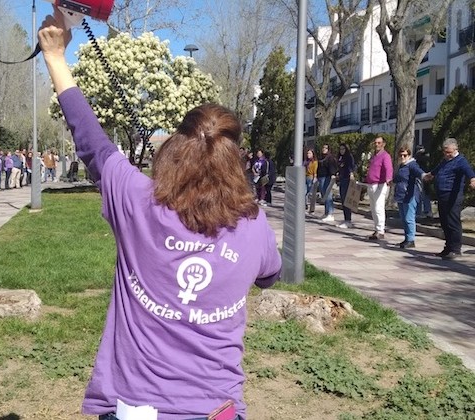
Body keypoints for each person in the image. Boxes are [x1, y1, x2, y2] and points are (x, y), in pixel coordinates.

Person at [38, 9, 282, 419]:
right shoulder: (253, 224)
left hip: (135, 407)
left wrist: (55, 57)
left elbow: (91, 142)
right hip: (216, 410)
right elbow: (270, 275)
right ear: (235, 158)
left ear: (175, 147)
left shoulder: (137, 201)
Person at [425, 138, 475, 260]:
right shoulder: (445, 161)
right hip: (442, 195)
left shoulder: (461, 161)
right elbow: (436, 171)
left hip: (453, 196)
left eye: (449, 152)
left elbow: (469, 171)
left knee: (453, 222)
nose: (447, 155)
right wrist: (430, 175)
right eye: (445, 152)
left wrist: (473, 180)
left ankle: (456, 249)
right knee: (444, 222)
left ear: (455, 149)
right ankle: (448, 247)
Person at [392, 147, 425, 249]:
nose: (402, 157)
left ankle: (411, 240)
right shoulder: (401, 166)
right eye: (401, 155)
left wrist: (424, 175)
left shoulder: (412, 165)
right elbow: (398, 178)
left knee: (409, 218)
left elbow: (418, 171)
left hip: (410, 195)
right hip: (401, 195)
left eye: (405, 155)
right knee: (403, 218)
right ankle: (407, 238)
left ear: (409, 156)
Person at [365, 136, 393, 240]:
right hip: (371, 184)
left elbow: (388, 168)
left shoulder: (385, 156)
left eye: (379, 143)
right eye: (375, 143)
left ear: (383, 144)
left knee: (378, 207)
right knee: (373, 208)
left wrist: (388, 178)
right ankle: (377, 229)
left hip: (380, 184)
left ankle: (381, 230)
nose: (377, 145)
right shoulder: (374, 156)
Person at [336, 143, 355, 229]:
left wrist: (351, 174)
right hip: (342, 179)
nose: (342, 151)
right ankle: (345, 219)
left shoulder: (349, 157)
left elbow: (351, 166)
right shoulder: (340, 157)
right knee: (343, 199)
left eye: (343, 149)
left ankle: (348, 220)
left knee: (347, 199)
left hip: (347, 179)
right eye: (340, 149)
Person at [317, 144, 337, 222]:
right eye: (323, 147)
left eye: (326, 148)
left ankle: (330, 213)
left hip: (327, 177)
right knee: (324, 195)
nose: (324, 149)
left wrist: (332, 174)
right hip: (321, 177)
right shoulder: (321, 157)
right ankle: (326, 212)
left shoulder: (330, 158)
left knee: (328, 195)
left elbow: (332, 167)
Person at [414, 146, 433, 218]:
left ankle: (427, 211)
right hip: (420, 175)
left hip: (425, 175)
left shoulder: (424, 157)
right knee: (418, 193)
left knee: (424, 193)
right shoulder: (418, 158)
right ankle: (419, 212)